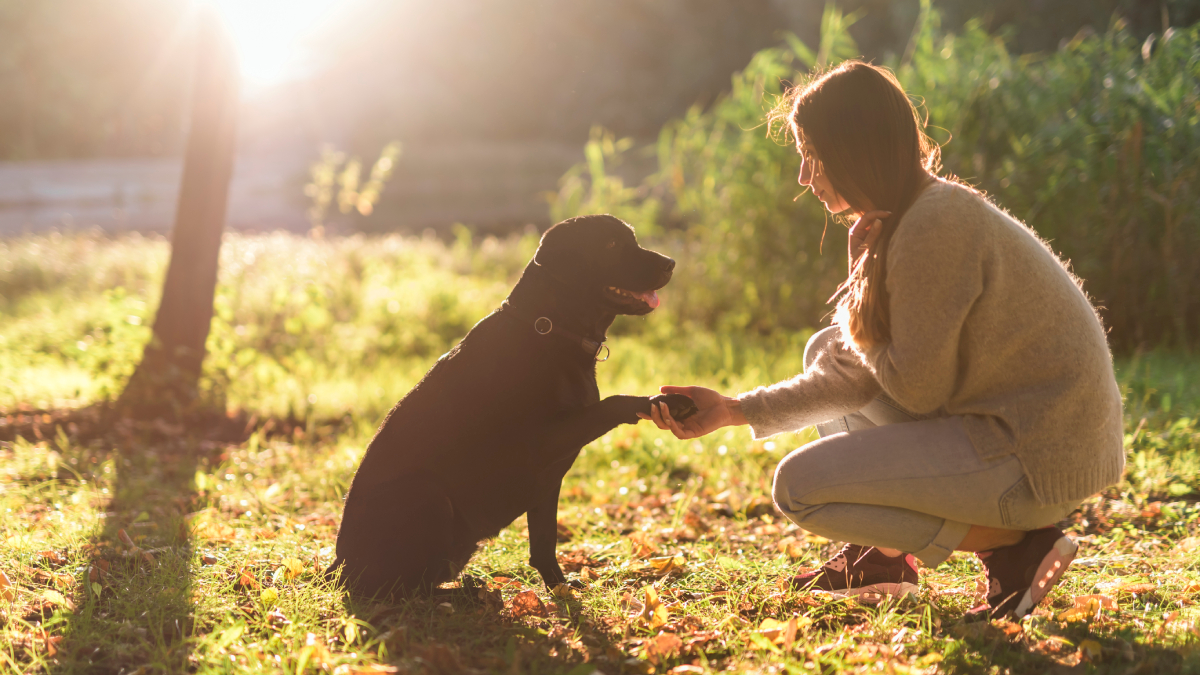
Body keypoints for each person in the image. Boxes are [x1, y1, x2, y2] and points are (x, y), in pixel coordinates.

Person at [639, 60, 1124, 619]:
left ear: (854, 148)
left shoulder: (934, 223)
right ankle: (885, 560)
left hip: (1037, 461)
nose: (804, 176)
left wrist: (857, 291)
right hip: (1023, 438)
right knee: (827, 350)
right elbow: (862, 371)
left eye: (813, 155)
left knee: (798, 488)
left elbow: (916, 388)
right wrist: (731, 410)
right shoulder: (914, 213)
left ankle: (1013, 547)